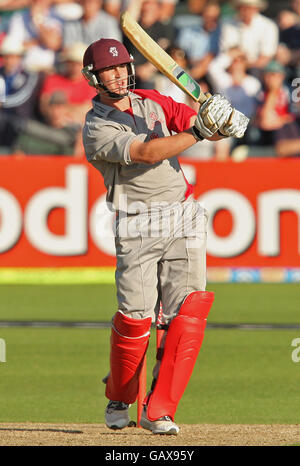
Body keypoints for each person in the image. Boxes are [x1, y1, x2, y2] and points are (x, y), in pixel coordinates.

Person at [81, 38, 249, 434]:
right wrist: (202, 130)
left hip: (184, 214)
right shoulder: (97, 127)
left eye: (123, 66)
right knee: (136, 320)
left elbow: (195, 126)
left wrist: (223, 123)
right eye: (110, 70)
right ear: (94, 78)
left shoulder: (153, 100)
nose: (119, 74)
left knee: (188, 313)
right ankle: (120, 397)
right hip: (138, 222)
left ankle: (160, 410)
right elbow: (147, 153)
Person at [39, 42, 96, 126]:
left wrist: (60, 110)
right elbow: (44, 105)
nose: (75, 67)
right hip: (50, 124)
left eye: (78, 63)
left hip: (76, 128)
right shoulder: (53, 79)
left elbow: (87, 111)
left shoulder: (90, 85)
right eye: (71, 62)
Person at [220, 0, 279, 79]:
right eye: (242, 7)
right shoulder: (227, 24)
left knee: (255, 72)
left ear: (256, 8)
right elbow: (227, 52)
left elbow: (265, 58)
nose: (245, 10)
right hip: (232, 66)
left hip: (255, 69)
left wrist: (244, 65)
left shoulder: (268, 26)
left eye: (249, 7)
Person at [123, 0, 175, 89]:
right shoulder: (135, 28)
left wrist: (147, 69)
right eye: (144, 9)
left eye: (151, 9)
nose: (147, 11)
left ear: (158, 11)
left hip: (154, 74)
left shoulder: (163, 29)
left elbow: (163, 54)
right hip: (131, 72)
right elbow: (127, 20)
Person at [6, 0, 63, 72]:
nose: (38, 2)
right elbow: (14, 48)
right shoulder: (18, 18)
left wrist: (38, 22)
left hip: (48, 69)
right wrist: (44, 39)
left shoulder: (56, 17)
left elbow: (53, 44)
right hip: (25, 69)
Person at [175, 0, 222, 81]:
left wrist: (204, 65)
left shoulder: (222, 33)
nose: (211, 20)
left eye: (215, 18)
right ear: (203, 15)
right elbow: (179, 52)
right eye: (208, 17)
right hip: (189, 67)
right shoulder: (188, 32)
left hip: (212, 72)